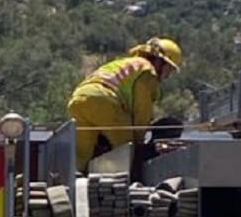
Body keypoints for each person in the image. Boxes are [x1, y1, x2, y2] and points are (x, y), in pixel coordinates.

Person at [67, 37, 183, 174]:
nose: (168, 75)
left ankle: (79, 178)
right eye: (169, 69)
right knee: (128, 152)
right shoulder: (147, 72)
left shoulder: (124, 63)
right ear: (160, 61)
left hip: (78, 99)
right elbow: (141, 113)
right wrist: (140, 147)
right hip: (104, 101)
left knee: (82, 155)